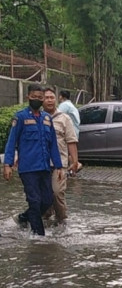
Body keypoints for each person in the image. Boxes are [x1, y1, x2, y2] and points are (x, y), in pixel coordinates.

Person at [3, 84, 63, 236]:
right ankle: (39, 237)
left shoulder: (47, 119)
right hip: (28, 169)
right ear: (28, 97)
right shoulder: (21, 117)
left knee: (48, 200)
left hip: (44, 167)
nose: (37, 99)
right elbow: (11, 142)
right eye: (34, 97)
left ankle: (24, 217)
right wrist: (7, 164)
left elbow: (53, 145)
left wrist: (59, 166)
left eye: (40, 98)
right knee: (35, 201)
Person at [41, 87, 79, 225]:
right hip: (41, 164)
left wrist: (75, 161)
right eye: (46, 98)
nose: (50, 100)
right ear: (41, 100)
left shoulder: (64, 118)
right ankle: (45, 219)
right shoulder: (38, 117)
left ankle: (62, 221)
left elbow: (71, 140)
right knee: (43, 195)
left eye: (52, 97)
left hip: (59, 164)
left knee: (57, 193)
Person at [58, 90, 82, 172]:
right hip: (75, 131)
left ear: (61, 96)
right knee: (69, 152)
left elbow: (57, 115)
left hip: (68, 132)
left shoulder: (64, 105)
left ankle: (77, 165)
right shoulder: (71, 105)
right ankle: (73, 170)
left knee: (65, 151)